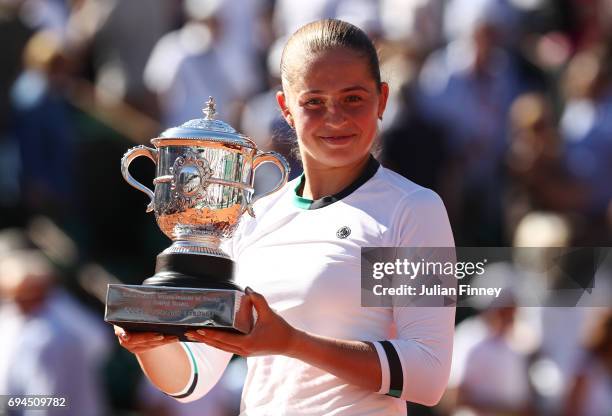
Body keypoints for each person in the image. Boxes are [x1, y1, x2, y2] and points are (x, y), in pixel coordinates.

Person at [114, 19, 455, 415]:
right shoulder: (255, 217)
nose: (335, 117)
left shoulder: (413, 208)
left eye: (353, 98)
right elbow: (193, 378)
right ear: (286, 109)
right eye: (314, 101)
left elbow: (428, 374)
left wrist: (292, 343)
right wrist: (151, 342)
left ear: (381, 99)